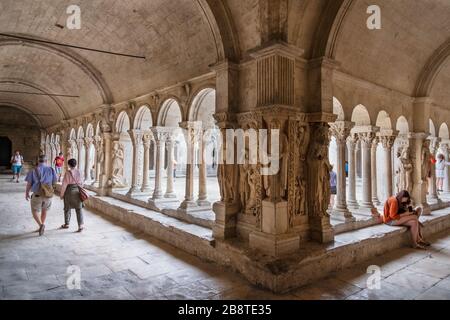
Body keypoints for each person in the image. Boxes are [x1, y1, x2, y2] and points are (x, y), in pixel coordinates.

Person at [25, 155, 58, 236]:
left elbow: (29, 183)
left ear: (38, 161)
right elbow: (55, 180)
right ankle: (41, 225)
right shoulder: (51, 169)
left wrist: (27, 193)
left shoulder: (33, 170)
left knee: (34, 211)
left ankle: (41, 225)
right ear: (46, 161)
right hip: (48, 194)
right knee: (44, 210)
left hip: (37, 194)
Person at [60, 159, 85, 232]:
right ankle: (80, 226)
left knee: (67, 208)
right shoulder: (80, 172)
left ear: (69, 165)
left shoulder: (67, 173)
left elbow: (64, 185)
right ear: (76, 164)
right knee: (79, 209)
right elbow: (82, 183)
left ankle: (67, 224)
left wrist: (61, 195)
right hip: (77, 191)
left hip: (69, 191)